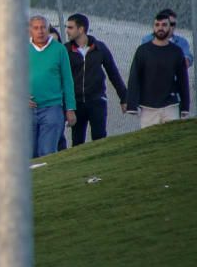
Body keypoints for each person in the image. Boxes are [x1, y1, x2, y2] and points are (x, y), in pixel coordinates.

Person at [64, 13, 128, 145]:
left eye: (70, 27)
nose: (67, 31)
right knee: (77, 141)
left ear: (81, 29)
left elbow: (113, 73)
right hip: (76, 103)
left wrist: (124, 98)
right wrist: (67, 106)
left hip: (97, 100)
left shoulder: (100, 48)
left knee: (99, 139)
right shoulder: (66, 50)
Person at [127, 12, 191, 127]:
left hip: (171, 106)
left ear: (169, 27)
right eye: (157, 25)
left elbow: (183, 80)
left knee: (171, 141)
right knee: (149, 142)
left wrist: (185, 106)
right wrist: (132, 105)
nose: (160, 28)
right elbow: (134, 77)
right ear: (153, 27)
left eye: (164, 25)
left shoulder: (176, 52)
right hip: (148, 108)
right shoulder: (143, 51)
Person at [28, 15, 76, 158]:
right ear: (30, 30)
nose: (40, 31)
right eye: (36, 28)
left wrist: (70, 109)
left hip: (52, 108)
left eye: (43, 27)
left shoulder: (59, 50)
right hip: (27, 110)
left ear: (48, 29)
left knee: (47, 152)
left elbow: (67, 80)